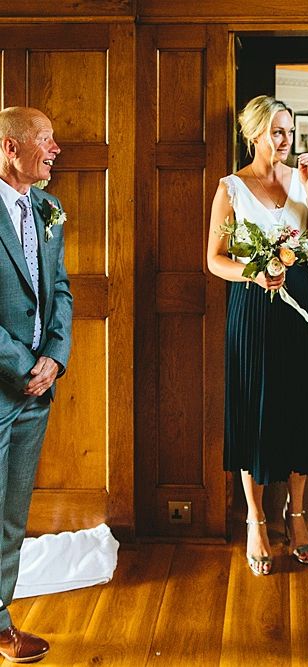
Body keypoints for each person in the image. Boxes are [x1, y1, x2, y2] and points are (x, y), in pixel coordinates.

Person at [207, 95, 308, 576]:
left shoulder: (302, 182)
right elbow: (214, 259)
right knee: (254, 405)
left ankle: (296, 514)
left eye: (290, 131)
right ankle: (256, 519)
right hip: (255, 303)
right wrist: (253, 272)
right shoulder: (231, 188)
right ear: (255, 133)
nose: (286, 140)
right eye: (278, 131)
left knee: (301, 406)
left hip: (302, 302)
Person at [0, 106, 72, 662]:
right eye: (45, 140)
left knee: (11, 514)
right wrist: (22, 363)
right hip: (3, 384)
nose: (55, 149)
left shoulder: (47, 208)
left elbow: (61, 292)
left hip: (37, 392)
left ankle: (0, 621)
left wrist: (54, 358)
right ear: (10, 147)